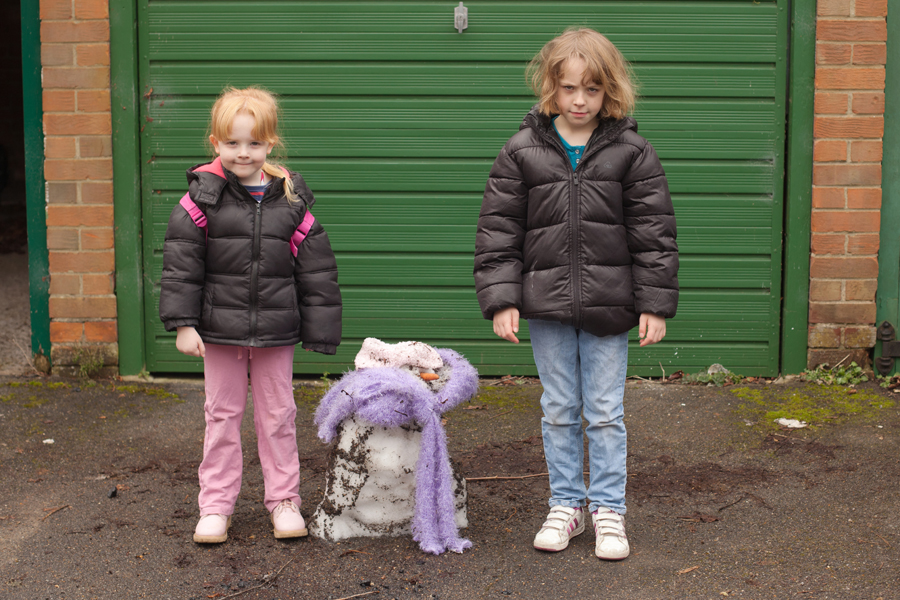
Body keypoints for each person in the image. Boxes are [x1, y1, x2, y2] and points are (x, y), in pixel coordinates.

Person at [474, 28, 678, 561]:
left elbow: (653, 233)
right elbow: (498, 230)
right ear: (551, 88)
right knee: (560, 408)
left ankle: (609, 509)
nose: (580, 100)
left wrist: (654, 303)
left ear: (609, 90)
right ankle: (566, 504)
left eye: (591, 89)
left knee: (605, 412)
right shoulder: (521, 151)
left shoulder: (632, 152)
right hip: (545, 307)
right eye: (569, 89)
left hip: (610, 307)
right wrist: (502, 298)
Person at [159, 87, 342, 544]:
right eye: (233, 143)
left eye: (254, 143)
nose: (244, 153)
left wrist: (319, 331)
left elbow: (316, 269)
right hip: (218, 332)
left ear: (270, 143)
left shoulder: (292, 200)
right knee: (221, 415)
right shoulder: (200, 201)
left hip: (276, 332)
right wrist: (184, 324)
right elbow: (181, 266)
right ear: (215, 143)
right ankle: (216, 506)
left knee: (278, 415)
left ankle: (284, 501)